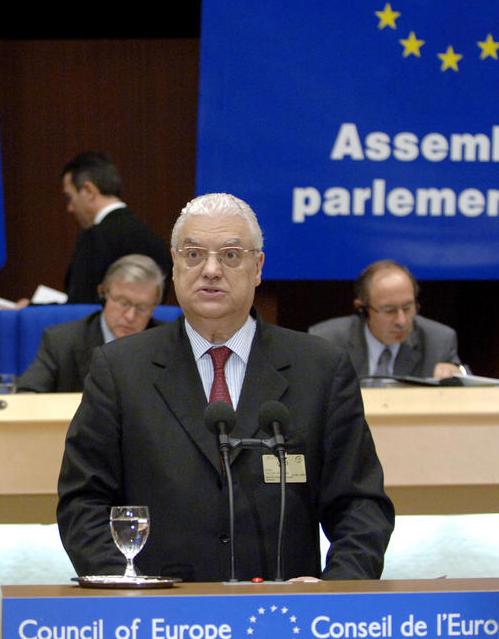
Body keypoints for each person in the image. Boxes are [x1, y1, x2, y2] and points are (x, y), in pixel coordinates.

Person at [57, 193, 394, 582]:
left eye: (231, 255)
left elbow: (361, 507)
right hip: (159, 622)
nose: (211, 270)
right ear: (175, 264)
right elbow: (83, 503)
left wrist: (334, 593)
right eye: (194, 254)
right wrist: (129, 594)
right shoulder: (118, 369)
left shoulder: (320, 368)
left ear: (258, 267)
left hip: (285, 625)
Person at [17, 255, 166, 393]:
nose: (130, 316)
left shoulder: (170, 344)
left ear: (154, 306)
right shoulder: (62, 342)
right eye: (123, 303)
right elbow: (28, 397)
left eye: (142, 308)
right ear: (103, 293)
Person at [309, 260, 463, 381]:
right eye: (389, 311)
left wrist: (456, 376)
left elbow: (466, 387)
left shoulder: (438, 341)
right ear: (362, 310)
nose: (401, 321)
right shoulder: (326, 340)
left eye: (408, 307)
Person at [61, 152, 173, 304]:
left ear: (88, 190)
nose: (70, 208)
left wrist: (33, 308)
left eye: (70, 197)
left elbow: (80, 306)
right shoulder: (156, 240)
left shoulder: (94, 238)